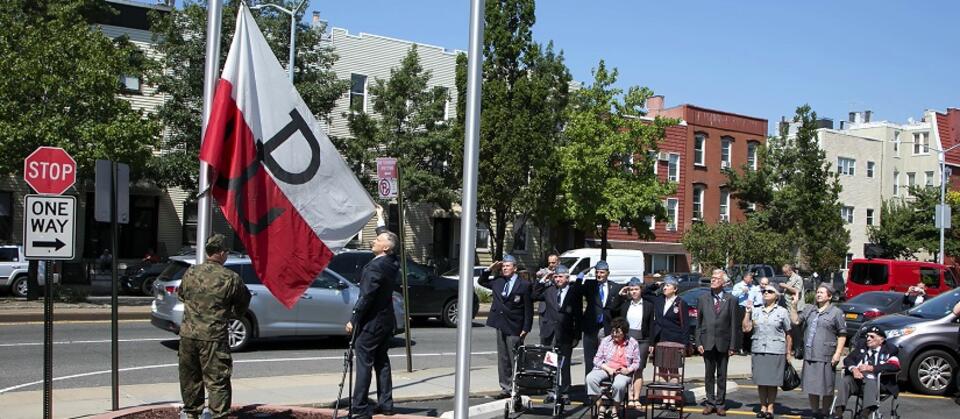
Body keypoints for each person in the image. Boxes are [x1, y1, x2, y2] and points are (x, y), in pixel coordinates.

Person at [177, 233, 251, 419]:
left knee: (190, 378)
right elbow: (242, 304)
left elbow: (182, 295)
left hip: (188, 336)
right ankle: (219, 415)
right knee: (217, 380)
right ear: (220, 253)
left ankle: (191, 414)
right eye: (225, 252)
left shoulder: (191, 272)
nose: (226, 255)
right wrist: (228, 314)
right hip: (213, 337)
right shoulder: (230, 278)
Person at [345, 214, 401, 419]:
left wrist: (353, 319)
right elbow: (389, 239)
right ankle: (386, 404)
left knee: (364, 362)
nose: (374, 241)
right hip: (386, 321)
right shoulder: (392, 261)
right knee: (382, 362)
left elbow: (366, 296)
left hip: (372, 322)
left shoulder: (375, 267)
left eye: (377, 240)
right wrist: (380, 220)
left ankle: (359, 407)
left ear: (385, 248)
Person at [478, 254, 534, 398]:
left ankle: (517, 387)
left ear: (514, 268)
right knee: (503, 358)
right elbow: (482, 281)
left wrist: (526, 328)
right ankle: (505, 387)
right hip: (500, 324)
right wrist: (490, 268)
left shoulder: (524, 285)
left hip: (515, 325)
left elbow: (528, 309)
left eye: (507, 266)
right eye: (503, 266)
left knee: (514, 358)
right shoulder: (498, 281)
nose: (504, 268)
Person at [790, 284, 847, 418]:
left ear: (829, 296)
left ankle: (825, 411)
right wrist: (793, 305)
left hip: (826, 354)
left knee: (826, 386)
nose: (818, 294)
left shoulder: (836, 312)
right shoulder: (810, 309)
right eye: (817, 292)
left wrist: (838, 353)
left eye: (822, 292)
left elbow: (842, 334)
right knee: (811, 386)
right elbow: (796, 321)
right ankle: (815, 411)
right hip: (810, 354)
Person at [532, 264, 582, 404]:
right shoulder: (549, 291)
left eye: (560, 277)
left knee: (564, 365)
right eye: (556, 277)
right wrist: (542, 280)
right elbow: (534, 295)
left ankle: (565, 392)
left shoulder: (573, 293)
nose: (557, 279)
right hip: (549, 332)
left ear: (567, 278)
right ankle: (551, 391)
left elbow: (578, 315)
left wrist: (577, 335)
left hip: (566, 334)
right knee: (549, 364)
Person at [742, 284, 792, 419]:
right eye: (764, 291)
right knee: (761, 380)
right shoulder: (756, 310)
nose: (766, 293)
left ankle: (770, 408)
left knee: (772, 381)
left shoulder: (782, 312)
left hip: (775, 350)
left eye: (770, 291)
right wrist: (747, 311)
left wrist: (788, 352)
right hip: (758, 349)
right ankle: (763, 406)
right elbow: (746, 328)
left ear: (776, 296)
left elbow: (788, 333)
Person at [695, 269, 741, 416]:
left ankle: (720, 403)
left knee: (722, 375)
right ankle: (710, 402)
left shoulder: (731, 300)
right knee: (709, 375)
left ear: (724, 282)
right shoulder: (703, 299)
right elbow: (699, 323)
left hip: (723, 343)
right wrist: (698, 342)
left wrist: (733, 346)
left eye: (716, 278)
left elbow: (734, 324)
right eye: (712, 278)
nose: (713, 281)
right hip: (707, 342)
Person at [833, 326, 900, 419]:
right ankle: (838, 413)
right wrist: (854, 369)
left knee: (870, 382)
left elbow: (894, 366)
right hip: (859, 381)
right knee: (846, 380)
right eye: (867, 336)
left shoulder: (889, 350)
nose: (868, 339)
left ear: (881, 339)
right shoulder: (862, 346)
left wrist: (872, 368)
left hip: (878, 383)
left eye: (872, 337)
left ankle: (864, 414)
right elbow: (848, 359)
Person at [585, 317, 641, 419]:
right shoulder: (606, 340)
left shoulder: (633, 343)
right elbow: (597, 359)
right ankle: (601, 407)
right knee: (590, 378)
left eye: (618, 332)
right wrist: (607, 368)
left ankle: (615, 409)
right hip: (607, 368)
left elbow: (637, 363)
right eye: (613, 331)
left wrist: (628, 370)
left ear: (624, 333)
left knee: (619, 384)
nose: (614, 334)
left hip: (623, 370)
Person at [649, 275, 690, 408]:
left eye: (668, 285)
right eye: (664, 285)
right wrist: (655, 284)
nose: (665, 287)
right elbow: (644, 293)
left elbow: (685, 325)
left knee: (672, 370)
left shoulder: (681, 303)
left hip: (674, 341)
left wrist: (684, 345)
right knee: (661, 370)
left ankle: (672, 399)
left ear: (675, 288)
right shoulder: (659, 300)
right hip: (660, 339)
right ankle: (664, 399)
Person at [580, 260, 624, 377]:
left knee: (607, 357)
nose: (599, 275)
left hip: (607, 327)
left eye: (602, 272)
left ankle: (605, 382)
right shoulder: (590, 285)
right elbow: (576, 290)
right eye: (597, 272)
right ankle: (589, 384)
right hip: (591, 327)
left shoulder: (615, 287)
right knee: (590, 357)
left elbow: (618, 305)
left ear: (607, 273)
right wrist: (581, 276)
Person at [616, 277, 655, 408]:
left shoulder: (648, 305)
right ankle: (629, 395)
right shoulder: (625, 304)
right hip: (627, 339)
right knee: (627, 368)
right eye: (631, 289)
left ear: (641, 290)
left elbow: (651, 325)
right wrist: (620, 295)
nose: (633, 292)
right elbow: (613, 310)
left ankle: (636, 397)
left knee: (638, 369)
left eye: (636, 289)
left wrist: (651, 343)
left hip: (643, 340)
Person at [732, 272, 762, 354]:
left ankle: (747, 347)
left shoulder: (753, 287)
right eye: (750, 278)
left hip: (750, 309)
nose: (752, 280)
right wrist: (742, 291)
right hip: (741, 308)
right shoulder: (738, 286)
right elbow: (733, 295)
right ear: (745, 278)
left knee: (750, 328)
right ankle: (739, 347)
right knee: (740, 328)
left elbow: (757, 297)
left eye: (752, 278)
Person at [536, 253, 561, 345]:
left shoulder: (561, 273)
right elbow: (535, 292)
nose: (551, 265)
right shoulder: (543, 273)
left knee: (556, 339)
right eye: (549, 263)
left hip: (556, 308)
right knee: (544, 336)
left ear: (558, 262)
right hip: (544, 309)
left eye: (553, 263)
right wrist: (543, 278)